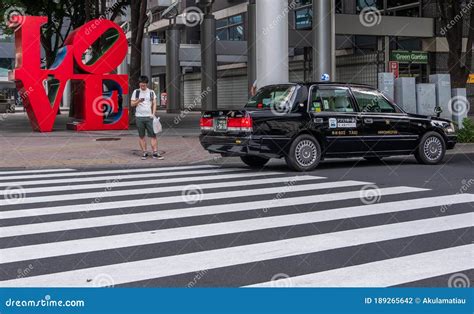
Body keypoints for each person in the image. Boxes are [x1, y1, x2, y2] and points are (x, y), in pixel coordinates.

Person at [131, 76, 164, 160]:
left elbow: (154, 103)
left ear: (147, 84)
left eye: (144, 85)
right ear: (139, 84)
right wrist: (138, 101)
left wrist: (153, 114)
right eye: (141, 85)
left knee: (153, 135)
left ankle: (155, 153)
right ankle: (144, 153)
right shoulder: (136, 92)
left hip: (149, 117)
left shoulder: (151, 92)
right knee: (141, 136)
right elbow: (132, 104)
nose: (142, 87)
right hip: (139, 117)